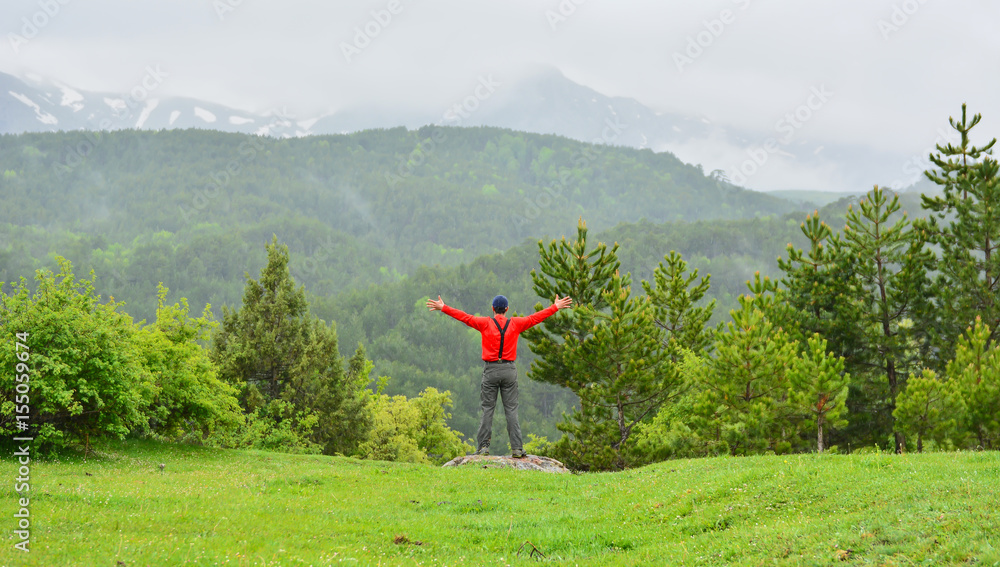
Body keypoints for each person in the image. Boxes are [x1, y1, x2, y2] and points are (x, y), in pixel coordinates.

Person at [426, 293, 573, 458]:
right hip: (509, 370)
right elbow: (535, 318)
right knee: (511, 410)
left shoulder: (485, 323)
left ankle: (483, 448)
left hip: (491, 370)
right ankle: (517, 449)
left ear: (493, 309)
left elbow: (464, 317)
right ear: (507, 309)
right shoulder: (516, 324)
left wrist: (443, 307)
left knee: (488, 409)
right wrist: (555, 307)